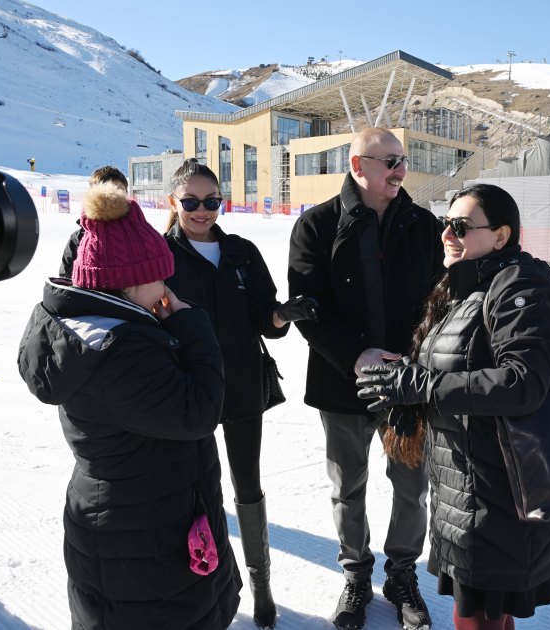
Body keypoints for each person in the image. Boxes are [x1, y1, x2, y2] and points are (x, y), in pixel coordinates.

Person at [17, 182, 241, 630]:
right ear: (134, 281)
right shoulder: (118, 350)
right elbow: (199, 411)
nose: (165, 286)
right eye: (160, 275)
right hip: (141, 546)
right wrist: (192, 325)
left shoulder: (104, 328)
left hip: (143, 522)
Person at [355, 184, 550, 630]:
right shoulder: (467, 285)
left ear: (502, 235)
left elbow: (523, 382)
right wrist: (406, 393)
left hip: (499, 495)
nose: (447, 234)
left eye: (461, 226)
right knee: (484, 618)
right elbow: (460, 364)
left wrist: (424, 386)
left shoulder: (518, 284)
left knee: (477, 619)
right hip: (464, 487)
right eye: (444, 224)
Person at [288, 127, 444, 630]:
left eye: (403, 159)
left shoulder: (424, 225)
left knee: (411, 486)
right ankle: (356, 574)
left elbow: (446, 298)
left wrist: (423, 362)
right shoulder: (316, 225)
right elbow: (307, 310)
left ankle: (401, 575)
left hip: (408, 383)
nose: (400, 169)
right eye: (389, 161)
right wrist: (355, 355)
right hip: (343, 382)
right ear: (359, 166)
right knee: (347, 487)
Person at [162, 158, 319, 630]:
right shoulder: (160, 255)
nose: (202, 211)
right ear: (174, 202)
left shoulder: (242, 252)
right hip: (186, 392)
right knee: (191, 493)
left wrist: (283, 315)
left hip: (243, 388)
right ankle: (207, 585)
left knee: (246, 488)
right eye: (190, 202)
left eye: (212, 201)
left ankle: (262, 585)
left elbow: (264, 322)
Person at [58, 166, 129, 278]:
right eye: (105, 191)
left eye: (119, 190)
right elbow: (66, 279)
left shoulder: (138, 233)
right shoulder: (78, 238)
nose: (113, 197)